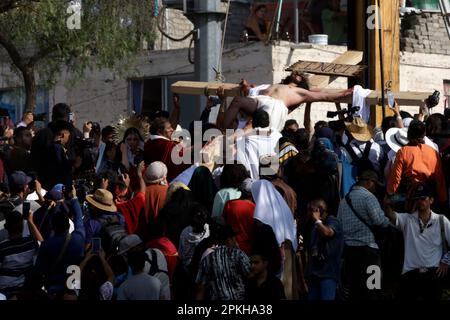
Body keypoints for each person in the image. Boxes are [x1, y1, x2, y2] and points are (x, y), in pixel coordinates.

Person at [384, 183, 450, 300]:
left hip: (433, 274)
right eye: (417, 199)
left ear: (431, 200)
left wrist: (446, 261)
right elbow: (390, 215)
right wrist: (387, 204)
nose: (420, 201)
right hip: (410, 275)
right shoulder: (408, 219)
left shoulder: (441, 220)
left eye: (423, 198)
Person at [337, 170, 391, 300]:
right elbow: (379, 221)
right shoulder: (368, 197)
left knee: (355, 291)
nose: (375, 188)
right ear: (369, 182)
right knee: (373, 288)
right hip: (370, 252)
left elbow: (339, 224)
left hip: (350, 253)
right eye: (375, 185)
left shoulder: (344, 200)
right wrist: (390, 219)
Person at [222, 82, 352, 131]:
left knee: (257, 133)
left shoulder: (302, 93)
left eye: (299, 77)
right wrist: (247, 85)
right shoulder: (275, 85)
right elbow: (252, 89)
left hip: (273, 106)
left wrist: (344, 93)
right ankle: (225, 132)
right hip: (260, 101)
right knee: (238, 101)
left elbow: (326, 96)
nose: (296, 75)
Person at [387, 120, 448, 210]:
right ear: (424, 135)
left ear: (409, 134)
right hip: (428, 196)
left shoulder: (403, 151)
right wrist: (443, 200)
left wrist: (390, 195)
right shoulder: (433, 152)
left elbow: (396, 178)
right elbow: (439, 179)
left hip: (409, 196)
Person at [35, 192, 85, 297]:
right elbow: (79, 219)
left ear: (52, 227)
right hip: (73, 287)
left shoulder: (46, 245)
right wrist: (74, 200)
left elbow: (39, 269)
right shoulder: (78, 239)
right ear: (68, 225)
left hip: (53, 289)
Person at [195, 225, 251, 300]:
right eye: (234, 238)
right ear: (229, 240)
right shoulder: (238, 254)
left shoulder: (207, 259)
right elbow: (250, 275)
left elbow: (200, 288)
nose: (236, 241)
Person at [304, 199, 344, 300]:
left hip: (327, 273)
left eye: (310, 210)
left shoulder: (332, 221)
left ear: (318, 210)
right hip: (314, 273)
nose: (308, 213)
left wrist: (317, 220)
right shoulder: (314, 226)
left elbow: (328, 232)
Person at [0, 210, 43, 298]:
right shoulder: (30, 242)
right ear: (23, 226)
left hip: (5, 289)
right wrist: (30, 222)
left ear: (6, 227)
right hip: (25, 288)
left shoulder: (2, 247)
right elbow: (42, 244)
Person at [236, 109, 282, 180]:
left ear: (253, 123)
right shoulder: (278, 135)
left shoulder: (246, 139)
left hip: (254, 181)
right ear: (268, 122)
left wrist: (245, 129)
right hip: (275, 180)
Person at [84, 188, 127, 254]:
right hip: (117, 255)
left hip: (99, 257)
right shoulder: (120, 217)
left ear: (94, 206)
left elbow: (86, 248)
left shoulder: (91, 223)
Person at [144, 117, 187, 182]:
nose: (172, 130)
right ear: (159, 131)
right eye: (169, 128)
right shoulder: (168, 145)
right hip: (167, 182)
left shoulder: (148, 143)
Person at [40, 120, 73, 190]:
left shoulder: (50, 147)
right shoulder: (57, 148)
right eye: (68, 136)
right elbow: (62, 167)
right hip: (57, 187)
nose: (69, 138)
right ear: (62, 135)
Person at [178, 203, 210, 271]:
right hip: (204, 266)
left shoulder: (185, 232)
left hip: (187, 266)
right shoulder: (208, 230)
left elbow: (180, 254)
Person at [116, 127, 145, 192]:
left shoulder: (143, 155)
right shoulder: (121, 152)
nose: (132, 142)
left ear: (139, 140)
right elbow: (125, 169)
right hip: (126, 189)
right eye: (129, 139)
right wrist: (124, 151)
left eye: (135, 139)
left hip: (140, 188)